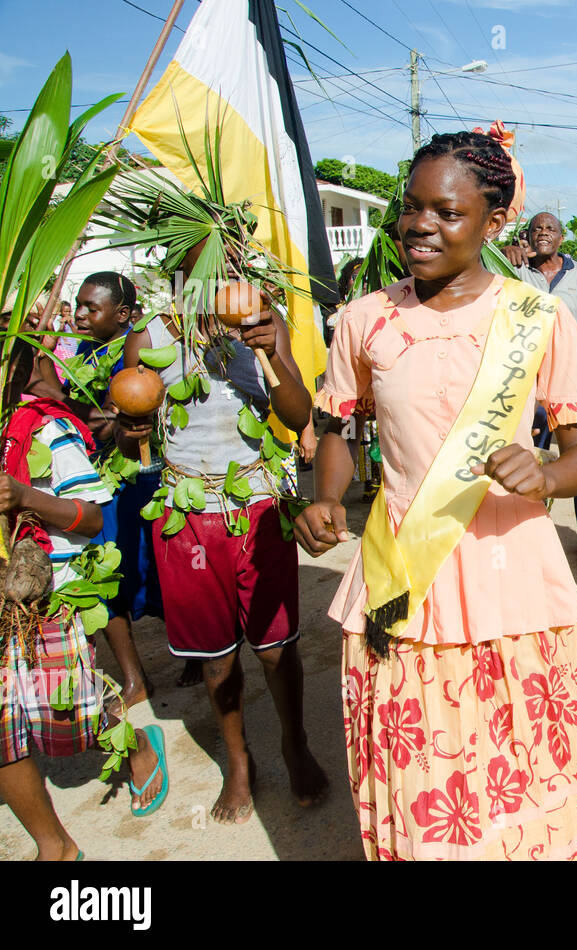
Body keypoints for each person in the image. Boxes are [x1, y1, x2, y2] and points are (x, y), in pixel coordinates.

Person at [294, 132, 577, 860]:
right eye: (412, 208)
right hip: (404, 584)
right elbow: (336, 429)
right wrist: (326, 498)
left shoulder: (538, 318)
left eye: (448, 212)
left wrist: (547, 475)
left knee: (526, 782)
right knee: (432, 797)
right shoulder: (364, 320)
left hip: (511, 582)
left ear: (493, 225)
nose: (421, 225)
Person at [115, 244, 329, 822]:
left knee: (277, 646)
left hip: (258, 506)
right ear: (179, 273)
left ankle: (295, 743)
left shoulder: (262, 318)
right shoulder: (150, 335)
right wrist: (128, 427)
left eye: (229, 267)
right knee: (214, 657)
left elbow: (294, 412)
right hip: (186, 515)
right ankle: (238, 760)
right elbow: (129, 436)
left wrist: (268, 355)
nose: (219, 279)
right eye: (202, 267)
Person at [0, 333, 167, 860]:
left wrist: (25, 497)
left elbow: (93, 518)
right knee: (3, 730)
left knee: (66, 713)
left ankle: (138, 747)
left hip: (44, 598)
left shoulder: (45, 431)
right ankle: (56, 846)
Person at [65, 272, 165, 710]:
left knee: (158, 573)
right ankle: (134, 678)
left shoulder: (137, 351)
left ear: (122, 315)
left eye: (92, 307)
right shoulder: (78, 354)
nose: (80, 314)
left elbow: (111, 426)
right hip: (96, 484)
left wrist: (54, 395)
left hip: (139, 482)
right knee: (104, 580)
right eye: (78, 305)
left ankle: (196, 652)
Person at [506, 212, 577, 559]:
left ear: (561, 237)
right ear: (527, 235)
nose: (543, 233)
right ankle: (529, 534)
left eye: (550, 229)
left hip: (572, 379)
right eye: (536, 229)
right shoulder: (515, 272)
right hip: (524, 382)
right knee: (527, 457)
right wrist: (507, 252)